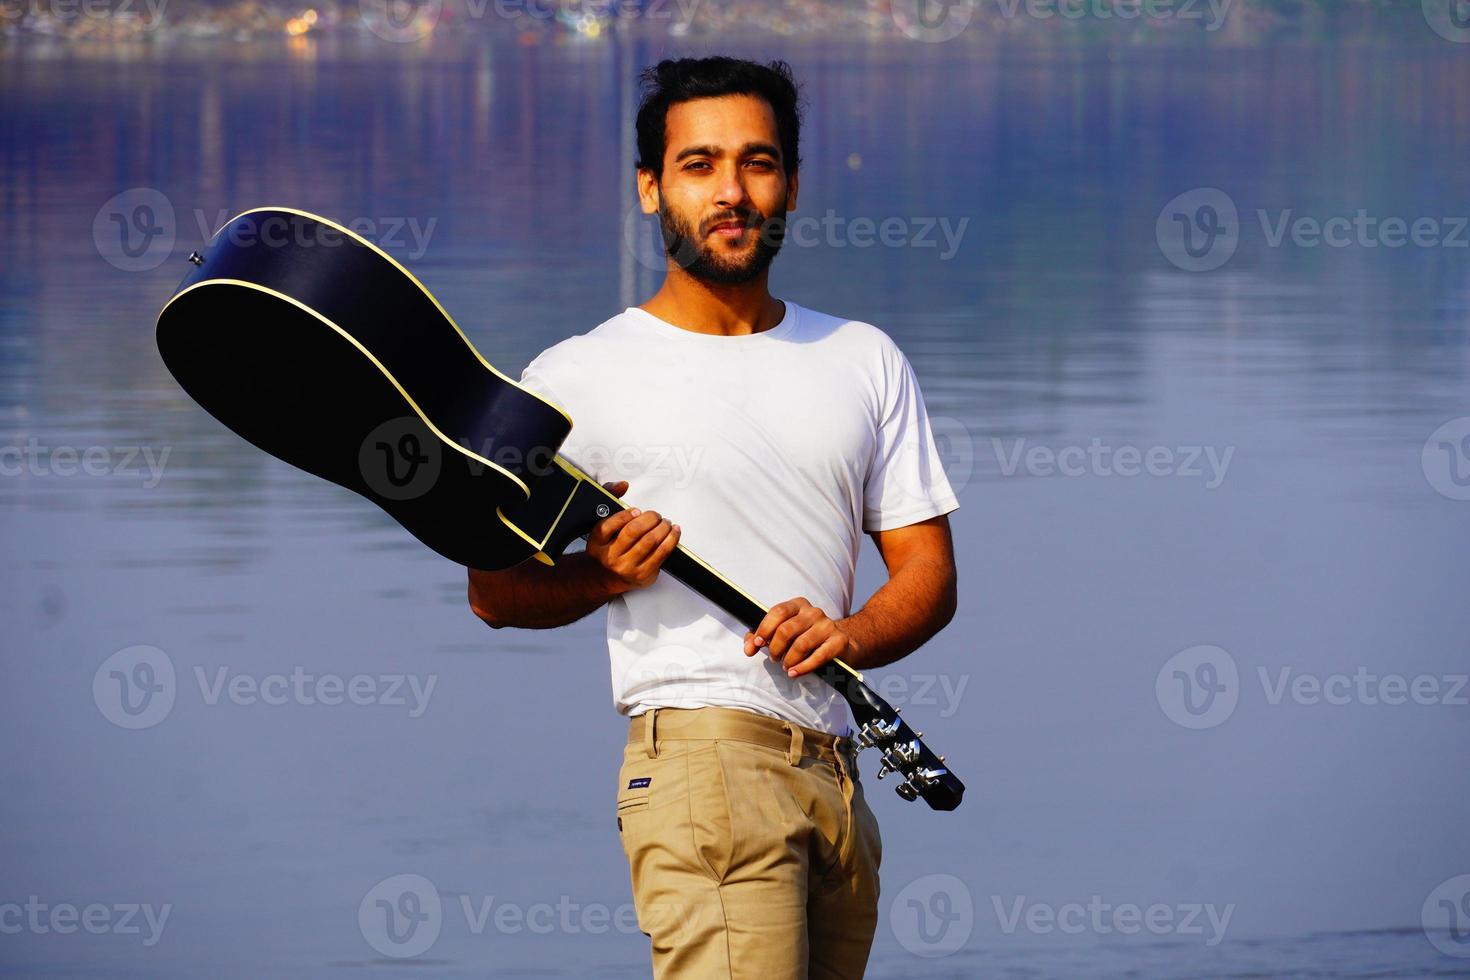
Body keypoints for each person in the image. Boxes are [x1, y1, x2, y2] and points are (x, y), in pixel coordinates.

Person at [467, 56, 959, 980]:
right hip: (703, 763)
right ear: (651, 189)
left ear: (793, 186)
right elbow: (493, 593)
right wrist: (601, 575)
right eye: (698, 166)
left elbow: (929, 576)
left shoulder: (863, 358)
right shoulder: (577, 379)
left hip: (838, 773)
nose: (731, 191)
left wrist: (848, 632)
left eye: (757, 163)